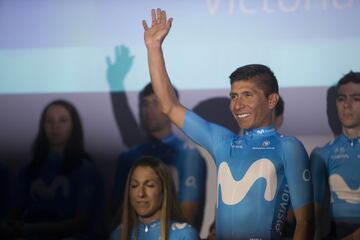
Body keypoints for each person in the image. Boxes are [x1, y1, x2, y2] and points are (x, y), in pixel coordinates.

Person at [142, 8, 314, 239]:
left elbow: (306, 222)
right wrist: (154, 48)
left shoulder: (288, 147)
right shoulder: (222, 142)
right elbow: (169, 106)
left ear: (271, 100)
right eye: (234, 96)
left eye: (247, 95)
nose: (238, 104)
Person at [112, 83, 207, 231]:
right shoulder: (127, 158)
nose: (149, 110)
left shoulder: (188, 155)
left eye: (156, 103)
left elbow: (188, 214)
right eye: (145, 104)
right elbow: (117, 211)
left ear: (170, 108)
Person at [0, 100, 99, 240]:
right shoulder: (27, 170)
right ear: (43, 126)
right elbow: (12, 214)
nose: (55, 126)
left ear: (73, 126)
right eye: (49, 121)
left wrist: (32, 228)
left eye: (62, 121)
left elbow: (83, 221)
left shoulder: (86, 170)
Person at [311, 71, 360, 240]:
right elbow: (314, 216)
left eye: (356, 98)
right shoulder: (322, 154)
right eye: (341, 99)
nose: (347, 105)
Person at [111, 156, 199, 240]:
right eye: (134, 185)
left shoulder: (184, 234)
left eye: (150, 185)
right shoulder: (119, 233)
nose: (141, 193)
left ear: (164, 190)